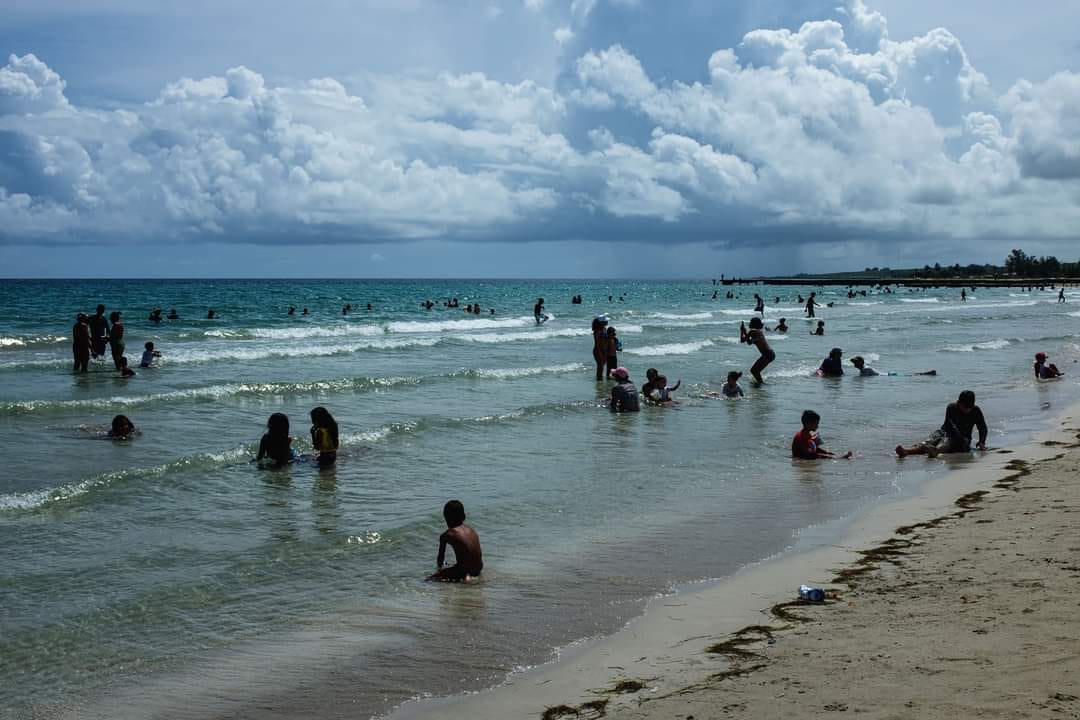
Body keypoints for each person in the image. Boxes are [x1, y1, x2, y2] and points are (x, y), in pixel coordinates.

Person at [895, 390, 988, 458]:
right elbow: (951, 426)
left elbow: (982, 427)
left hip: (963, 438)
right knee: (929, 441)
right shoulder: (951, 408)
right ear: (959, 402)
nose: (966, 410)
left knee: (947, 442)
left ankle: (935, 451)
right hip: (946, 431)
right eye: (964, 407)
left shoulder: (976, 410)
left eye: (969, 408)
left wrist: (982, 441)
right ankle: (907, 451)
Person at [427, 500, 483, 582]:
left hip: (464, 570)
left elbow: (440, 559)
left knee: (430, 579)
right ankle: (467, 575)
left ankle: (465, 576)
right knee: (456, 566)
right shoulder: (471, 530)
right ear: (464, 516)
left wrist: (440, 571)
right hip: (478, 568)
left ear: (446, 518)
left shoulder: (447, 534)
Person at [740, 317, 775, 384]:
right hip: (769, 354)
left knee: (754, 371)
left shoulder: (753, 331)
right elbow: (746, 341)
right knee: (755, 370)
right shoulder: (757, 331)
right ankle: (761, 383)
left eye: (751, 322)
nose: (749, 323)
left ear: (753, 324)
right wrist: (743, 331)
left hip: (767, 354)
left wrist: (743, 331)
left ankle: (761, 384)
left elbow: (746, 341)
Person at [591, 315, 609, 381]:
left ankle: (600, 381)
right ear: (602, 322)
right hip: (598, 350)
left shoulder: (604, 329)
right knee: (600, 366)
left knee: (602, 366)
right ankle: (599, 381)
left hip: (604, 350)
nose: (607, 321)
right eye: (605, 320)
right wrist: (600, 353)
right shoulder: (597, 331)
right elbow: (597, 343)